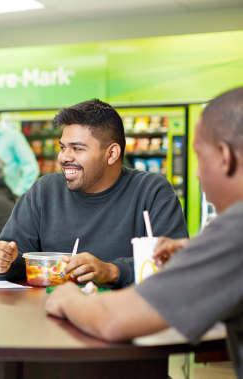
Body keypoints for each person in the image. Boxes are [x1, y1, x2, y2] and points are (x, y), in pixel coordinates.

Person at [44, 87, 243, 378]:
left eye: (199, 156)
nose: (198, 174)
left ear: (224, 156)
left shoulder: (235, 232)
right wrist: (198, 256)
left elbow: (114, 320)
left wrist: (68, 297)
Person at [0, 99, 188, 288]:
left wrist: (112, 271)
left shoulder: (152, 192)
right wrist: (3, 263)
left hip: (129, 321)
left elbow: (179, 266)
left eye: (77, 149)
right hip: (51, 317)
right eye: (63, 147)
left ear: (112, 153)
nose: (64, 157)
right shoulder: (43, 192)